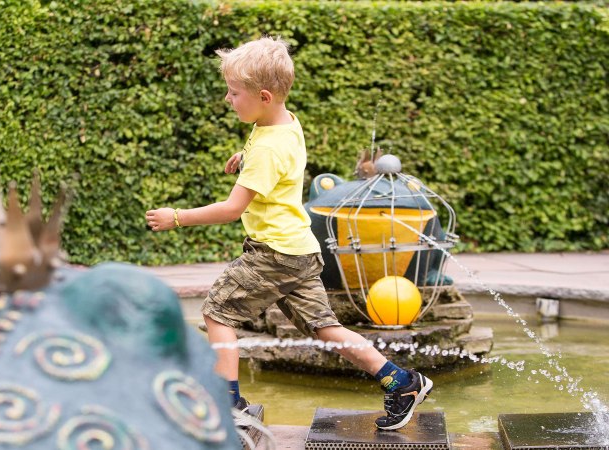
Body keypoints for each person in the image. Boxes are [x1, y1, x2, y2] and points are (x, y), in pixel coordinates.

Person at [145, 36, 432, 431]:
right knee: (327, 329)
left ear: (263, 95)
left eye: (233, 93)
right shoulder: (283, 122)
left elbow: (232, 209)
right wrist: (246, 157)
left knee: (216, 313)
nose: (228, 100)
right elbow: (277, 156)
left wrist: (175, 217)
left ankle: (227, 403)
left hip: (273, 254)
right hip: (300, 250)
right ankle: (401, 382)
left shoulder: (266, 147)